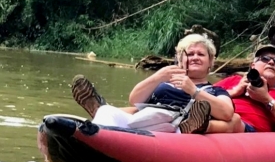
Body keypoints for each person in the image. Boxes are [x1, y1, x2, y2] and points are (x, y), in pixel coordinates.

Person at [71, 33, 234, 134]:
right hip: (143, 118)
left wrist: (194, 91)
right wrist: (158, 76)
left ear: (210, 62)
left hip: (174, 126)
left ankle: (103, 133)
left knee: (166, 120)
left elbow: (227, 113)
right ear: (180, 58)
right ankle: (99, 121)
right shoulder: (165, 82)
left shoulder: (215, 91)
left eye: (201, 54)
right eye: (190, 54)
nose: (195, 57)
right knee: (107, 111)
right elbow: (134, 100)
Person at [212, 45, 275, 137]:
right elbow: (203, 97)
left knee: (235, 120)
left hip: (249, 133)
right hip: (217, 117)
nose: (271, 62)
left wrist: (267, 100)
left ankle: (205, 126)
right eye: (265, 58)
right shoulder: (234, 80)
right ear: (253, 66)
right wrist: (234, 91)